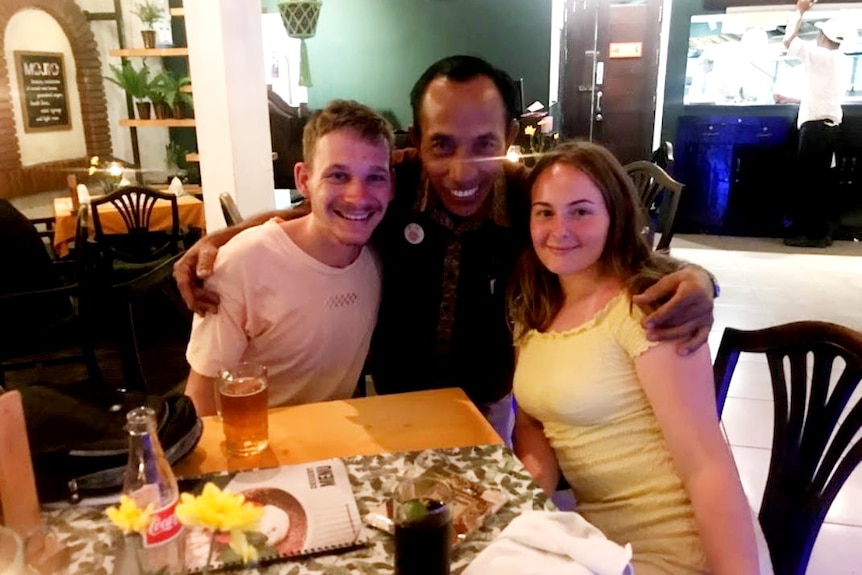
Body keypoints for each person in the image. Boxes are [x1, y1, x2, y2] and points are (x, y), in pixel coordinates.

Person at [174, 55, 718, 440]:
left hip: (495, 408)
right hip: (387, 408)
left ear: (509, 136)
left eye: (484, 145)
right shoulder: (392, 182)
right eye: (441, 146)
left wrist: (697, 278)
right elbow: (314, 208)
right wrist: (222, 240)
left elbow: (618, 249)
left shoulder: (535, 199)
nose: (461, 171)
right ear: (416, 139)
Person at [508, 141, 759, 574]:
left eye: (581, 211)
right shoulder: (533, 305)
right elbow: (533, 424)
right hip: (591, 542)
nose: (559, 229)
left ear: (615, 216)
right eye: (545, 211)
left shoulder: (648, 308)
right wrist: (528, 502)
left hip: (671, 547)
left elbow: (706, 465)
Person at [184, 99, 393, 415]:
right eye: (338, 175)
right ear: (303, 180)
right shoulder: (239, 265)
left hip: (337, 445)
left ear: (391, 184)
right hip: (251, 449)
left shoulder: (377, 255)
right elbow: (200, 406)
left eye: (375, 177)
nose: (358, 196)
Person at [774, 1, 851, 248]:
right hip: (829, 129)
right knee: (820, 184)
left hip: (815, 131)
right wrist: (791, 99)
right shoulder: (841, 60)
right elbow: (822, 95)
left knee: (808, 184)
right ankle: (821, 234)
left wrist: (799, 10)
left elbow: (789, 40)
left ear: (822, 36)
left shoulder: (821, 55)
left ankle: (810, 236)